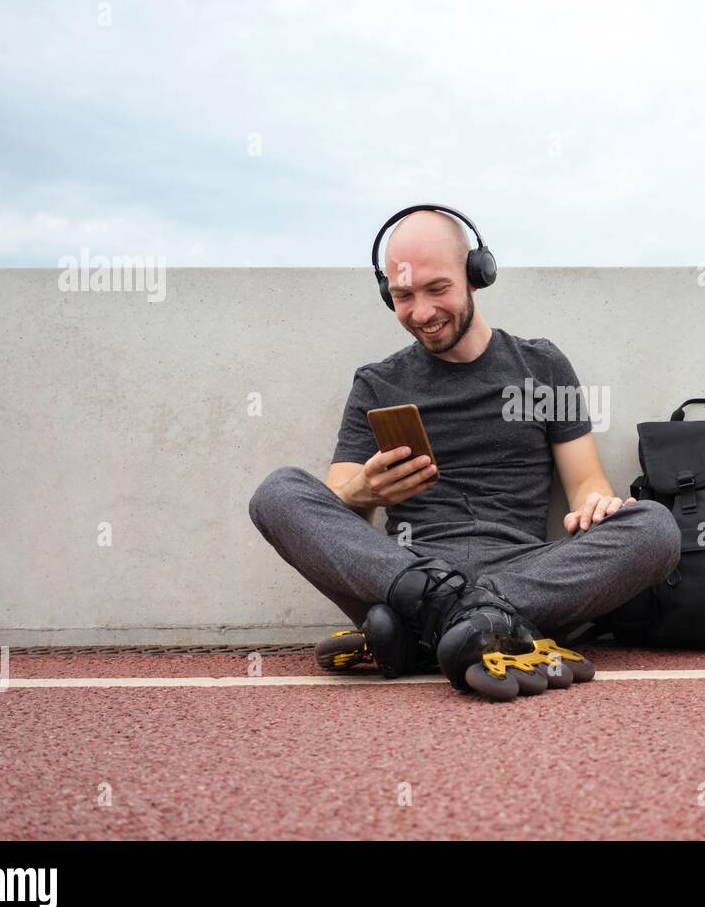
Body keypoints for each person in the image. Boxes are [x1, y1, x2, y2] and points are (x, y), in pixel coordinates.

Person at [248, 205, 680, 700]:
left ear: (478, 275)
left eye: (437, 289)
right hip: (405, 573)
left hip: (524, 571)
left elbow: (586, 484)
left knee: (655, 528)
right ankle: (475, 620)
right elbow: (333, 515)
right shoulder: (377, 382)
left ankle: (437, 627)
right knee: (276, 492)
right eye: (402, 296)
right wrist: (364, 489)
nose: (422, 312)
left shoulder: (541, 365)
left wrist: (598, 505)